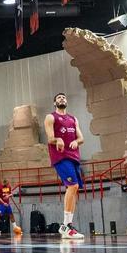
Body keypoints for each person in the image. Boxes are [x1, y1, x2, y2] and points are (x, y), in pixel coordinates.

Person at [44, 93, 86, 239]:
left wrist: (76, 141)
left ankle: (68, 226)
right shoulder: (51, 117)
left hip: (74, 157)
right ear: (54, 102)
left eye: (64, 97)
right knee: (73, 186)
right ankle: (66, 226)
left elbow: (81, 138)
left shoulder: (73, 119)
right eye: (59, 98)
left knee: (74, 189)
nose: (62, 98)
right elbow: (50, 138)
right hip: (61, 156)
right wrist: (58, 139)